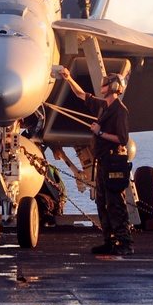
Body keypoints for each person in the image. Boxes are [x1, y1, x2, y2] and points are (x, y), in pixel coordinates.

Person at [57, 67, 133, 255]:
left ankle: (125, 243)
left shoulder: (119, 111)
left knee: (115, 202)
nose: (103, 85)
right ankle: (110, 240)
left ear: (114, 86)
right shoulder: (103, 106)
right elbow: (81, 94)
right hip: (103, 162)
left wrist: (100, 133)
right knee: (102, 202)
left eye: (106, 83)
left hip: (113, 161)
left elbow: (122, 139)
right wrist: (68, 78)